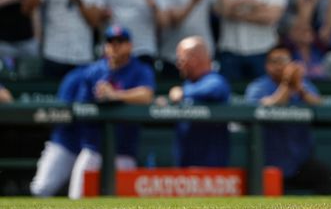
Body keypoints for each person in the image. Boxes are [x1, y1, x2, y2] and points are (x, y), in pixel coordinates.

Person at [68, 25, 155, 199]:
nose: (115, 46)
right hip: (93, 148)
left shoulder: (140, 69)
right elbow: (80, 106)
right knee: (77, 200)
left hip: (124, 150)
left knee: (124, 207)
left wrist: (116, 95)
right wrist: (100, 98)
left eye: (120, 42)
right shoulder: (94, 71)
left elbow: (146, 95)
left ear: (129, 45)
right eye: (111, 42)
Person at [244, 46, 331, 194]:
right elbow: (265, 106)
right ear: (267, 66)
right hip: (269, 161)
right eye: (275, 62)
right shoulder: (258, 87)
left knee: (324, 174)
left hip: (300, 160)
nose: (280, 65)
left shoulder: (303, 85)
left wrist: (299, 88)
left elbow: (319, 105)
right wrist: (286, 84)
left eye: (284, 61)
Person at [166, 36, 231, 167]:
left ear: (194, 59)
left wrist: (183, 93)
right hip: (185, 163)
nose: (178, 64)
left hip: (210, 165)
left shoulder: (215, 80)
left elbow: (215, 89)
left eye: (181, 59)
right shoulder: (189, 84)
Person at [30, 66, 85, 196]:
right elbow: (62, 112)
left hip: (95, 146)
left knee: (79, 196)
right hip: (66, 142)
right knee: (40, 189)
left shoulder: (118, 74)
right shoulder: (76, 77)